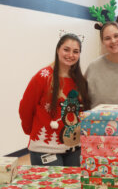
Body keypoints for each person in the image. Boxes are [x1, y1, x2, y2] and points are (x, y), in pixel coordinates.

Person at [19, 33, 90, 166]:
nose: (70, 55)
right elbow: (26, 107)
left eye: (76, 51)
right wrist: (31, 131)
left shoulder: (80, 80)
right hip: (45, 148)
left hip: (73, 148)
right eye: (66, 49)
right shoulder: (43, 76)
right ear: (58, 49)